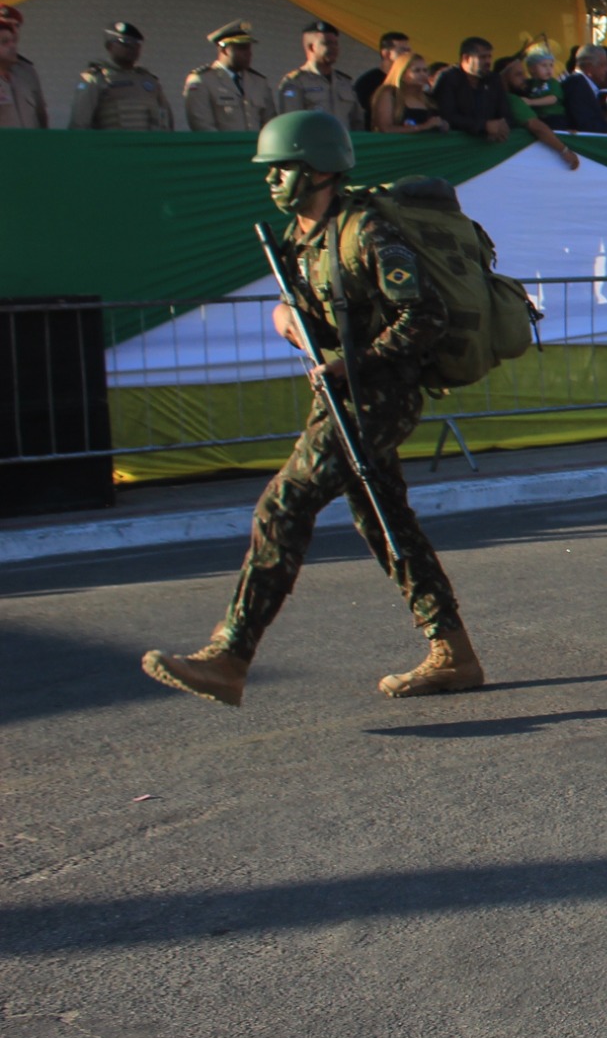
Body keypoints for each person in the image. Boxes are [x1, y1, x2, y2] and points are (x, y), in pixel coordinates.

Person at [140, 111, 484, 704]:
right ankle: (453, 651)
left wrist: (354, 362)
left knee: (285, 503)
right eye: (270, 170)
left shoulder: (366, 231)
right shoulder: (303, 238)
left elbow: (425, 316)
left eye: (284, 168)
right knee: (386, 522)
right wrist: (287, 321)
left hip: (379, 396)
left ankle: (231, 654)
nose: (273, 180)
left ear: (321, 168)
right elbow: (306, 309)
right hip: (342, 397)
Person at [71, 21, 177, 131]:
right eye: (125, 43)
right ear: (110, 46)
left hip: (149, 146)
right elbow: (79, 122)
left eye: (136, 44)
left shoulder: (149, 80)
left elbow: (166, 118)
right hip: (114, 146)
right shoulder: (96, 78)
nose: (132, 48)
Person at [183, 20, 274, 132]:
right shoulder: (202, 80)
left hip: (257, 147)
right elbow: (202, 125)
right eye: (241, 48)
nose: (248, 53)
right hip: (223, 148)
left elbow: (270, 123)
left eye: (249, 47)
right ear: (223, 49)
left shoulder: (259, 82)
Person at [496, 54, 581, 169]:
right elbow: (536, 126)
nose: (525, 78)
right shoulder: (512, 100)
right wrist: (564, 150)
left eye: (524, 73)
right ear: (503, 78)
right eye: (518, 74)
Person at [276, 20, 361, 128]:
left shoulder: (345, 83)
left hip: (342, 144)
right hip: (313, 144)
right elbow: (291, 124)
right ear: (311, 47)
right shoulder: (295, 82)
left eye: (336, 44)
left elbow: (357, 122)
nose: (334, 48)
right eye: (327, 43)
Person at [430, 37, 509, 142]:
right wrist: (484, 126)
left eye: (489, 57)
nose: (488, 61)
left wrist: (500, 128)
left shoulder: (494, 79)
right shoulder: (448, 78)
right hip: (455, 143)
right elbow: (446, 115)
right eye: (482, 57)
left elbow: (505, 111)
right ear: (466, 58)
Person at [368, 48, 445, 133]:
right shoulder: (388, 94)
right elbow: (385, 129)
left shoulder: (427, 98)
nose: (423, 74)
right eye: (417, 71)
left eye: (425, 70)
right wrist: (423, 127)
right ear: (402, 74)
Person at [560, 44, 607, 134]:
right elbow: (586, 124)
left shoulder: (581, 83)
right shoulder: (576, 84)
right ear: (589, 66)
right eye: (603, 65)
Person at [351, 31, 408, 114]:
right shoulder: (368, 82)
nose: (407, 55)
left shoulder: (406, 82)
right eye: (402, 50)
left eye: (408, 50)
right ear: (387, 54)